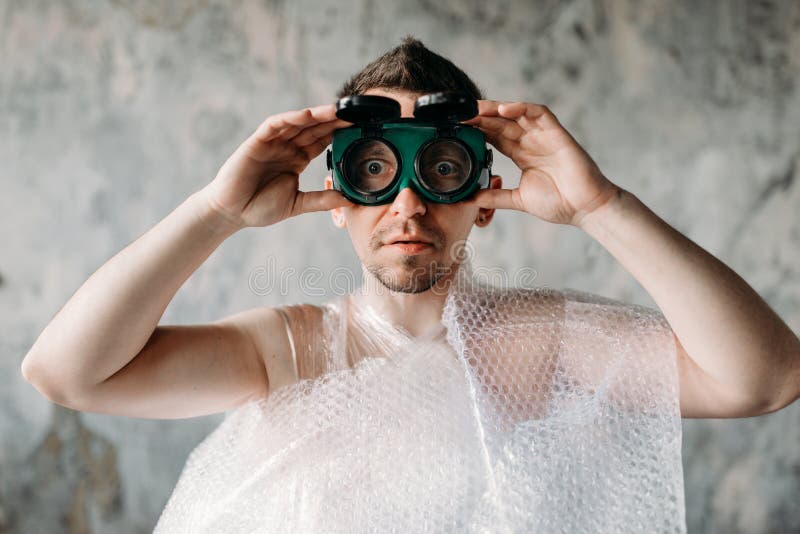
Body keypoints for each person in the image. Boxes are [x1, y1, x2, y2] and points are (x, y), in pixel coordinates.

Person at [20, 36, 800, 532]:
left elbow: (766, 379)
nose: (409, 203)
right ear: (335, 199)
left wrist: (601, 207)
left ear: (485, 199)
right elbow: (64, 372)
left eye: (442, 168)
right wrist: (217, 210)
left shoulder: (542, 346)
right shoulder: (291, 351)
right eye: (375, 170)